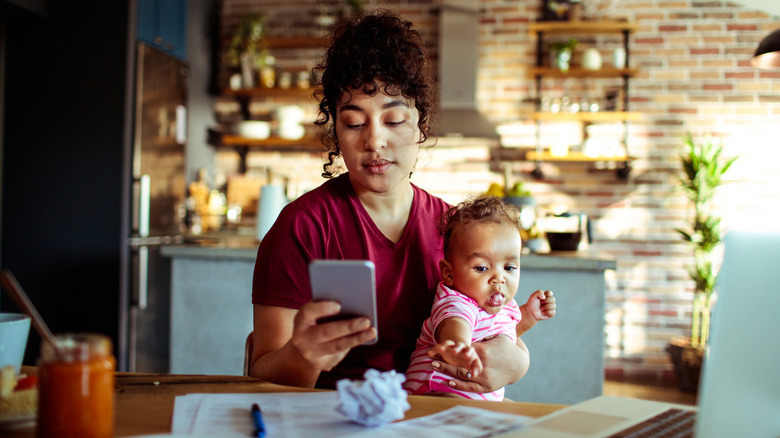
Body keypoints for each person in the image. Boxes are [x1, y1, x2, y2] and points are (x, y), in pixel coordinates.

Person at [249, 10, 547, 393]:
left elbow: (496, 322)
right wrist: (304, 356)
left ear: (420, 124)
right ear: (336, 129)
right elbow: (262, 374)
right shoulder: (302, 225)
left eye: (393, 121)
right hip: (334, 416)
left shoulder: (455, 229)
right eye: (354, 122)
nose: (374, 141)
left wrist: (516, 361)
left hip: (432, 418)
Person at [404, 196, 556, 401]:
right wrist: (458, 347)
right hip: (434, 393)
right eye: (482, 268)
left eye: (509, 268)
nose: (499, 278)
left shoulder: (504, 307)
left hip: (473, 398)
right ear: (449, 273)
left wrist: (529, 315)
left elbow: (504, 334)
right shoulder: (456, 301)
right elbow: (455, 325)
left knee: (519, 413)